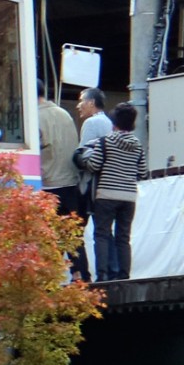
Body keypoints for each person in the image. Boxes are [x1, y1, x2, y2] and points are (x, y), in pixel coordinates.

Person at [78, 102, 143, 281]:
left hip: (106, 195)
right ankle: (124, 275)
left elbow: (94, 165)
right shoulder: (137, 144)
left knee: (102, 234)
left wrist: (83, 160)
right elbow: (143, 172)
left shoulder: (105, 141)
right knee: (123, 237)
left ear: (114, 123)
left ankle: (103, 275)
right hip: (129, 197)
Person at [70, 88, 110, 278]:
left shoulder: (92, 123)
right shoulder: (109, 122)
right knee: (105, 232)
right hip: (105, 184)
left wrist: (76, 159)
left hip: (88, 186)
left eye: (81, 101)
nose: (79, 105)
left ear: (92, 103)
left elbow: (83, 154)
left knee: (74, 231)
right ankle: (107, 272)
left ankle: (81, 275)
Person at [37, 84, 80, 225]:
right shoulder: (64, 113)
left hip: (48, 183)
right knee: (72, 238)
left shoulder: (34, 117)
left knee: (48, 238)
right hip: (71, 183)